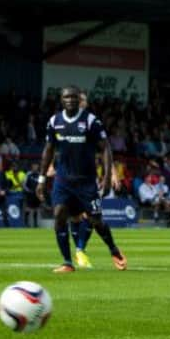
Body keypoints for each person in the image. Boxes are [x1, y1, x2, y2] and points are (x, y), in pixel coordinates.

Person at [36, 85, 127, 273]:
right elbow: (49, 150)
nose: (70, 100)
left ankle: (114, 249)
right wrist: (42, 179)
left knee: (96, 221)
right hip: (63, 180)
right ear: (61, 100)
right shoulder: (54, 122)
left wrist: (108, 177)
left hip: (86, 182)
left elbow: (105, 149)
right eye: (66, 97)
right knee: (59, 214)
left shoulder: (91, 121)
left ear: (80, 100)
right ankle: (67, 262)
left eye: (74, 97)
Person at [23, 162, 42, 227]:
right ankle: (26, 223)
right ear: (32, 167)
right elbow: (24, 184)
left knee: (36, 209)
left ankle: (35, 224)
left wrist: (40, 192)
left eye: (36, 166)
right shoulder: (28, 174)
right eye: (34, 166)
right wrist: (28, 191)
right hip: (30, 194)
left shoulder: (39, 175)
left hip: (37, 194)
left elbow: (42, 184)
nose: (35, 167)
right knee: (28, 208)